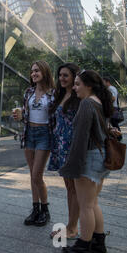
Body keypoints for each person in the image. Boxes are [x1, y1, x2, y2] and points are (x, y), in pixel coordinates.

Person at [59, 70, 118, 253]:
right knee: (92, 204)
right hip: (99, 158)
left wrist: (71, 166)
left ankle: (83, 247)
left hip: (88, 159)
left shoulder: (86, 104)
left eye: (77, 84)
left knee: (85, 206)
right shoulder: (101, 102)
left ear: (89, 85)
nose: (74, 88)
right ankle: (98, 244)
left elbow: (80, 139)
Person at [13, 60, 55, 227]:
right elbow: (25, 113)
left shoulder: (53, 93)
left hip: (45, 134)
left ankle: (45, 210)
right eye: (32, 71)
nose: (34, 74)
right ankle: (35, 209)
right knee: (32, 174)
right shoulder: (29, 92)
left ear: (44, 72)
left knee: (37, 174)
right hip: (29, 133)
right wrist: (20, 116)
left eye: (37, 71)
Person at [47, 63, 81, 241]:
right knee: (70, 188)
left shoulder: (79, 96)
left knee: (75, 189)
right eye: (60, 75)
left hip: (71, 147)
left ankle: (72, 228)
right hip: (60, 145)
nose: (62, 78)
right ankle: (71, 225)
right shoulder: (59, 94)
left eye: (66, 75)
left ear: (74, 76)